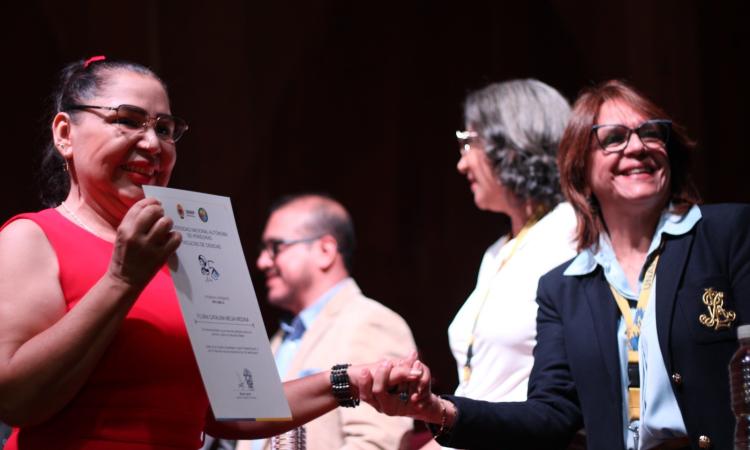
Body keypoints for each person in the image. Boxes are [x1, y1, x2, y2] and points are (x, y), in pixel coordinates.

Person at [0, 57, 421, 450]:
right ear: (64, 134)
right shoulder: (32, 237)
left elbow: (235, 407)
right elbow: (17, 401)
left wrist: (350, 381)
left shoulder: (192, 246)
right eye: (127, 121)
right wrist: (122, 280)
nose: (152, 143)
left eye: (165, 129)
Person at [361, 79, 750, 450]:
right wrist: (438, 410)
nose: (638, 146)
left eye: (652, 133)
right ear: (580, 168)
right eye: (614, 138)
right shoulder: (564, 287)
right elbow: (551, 415)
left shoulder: (726, 235)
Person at [418, 80, 577, 450]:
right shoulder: (495, 252)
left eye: (469, 142)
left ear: (511, 143)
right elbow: (482, 389)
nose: (461, 162)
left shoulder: (571, 231)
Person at [221, 194, 416, 450]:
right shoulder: (282, 337)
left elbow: (377, 443)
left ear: (325, 251)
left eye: (276, 247)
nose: (263, 262)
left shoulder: (371, 323)